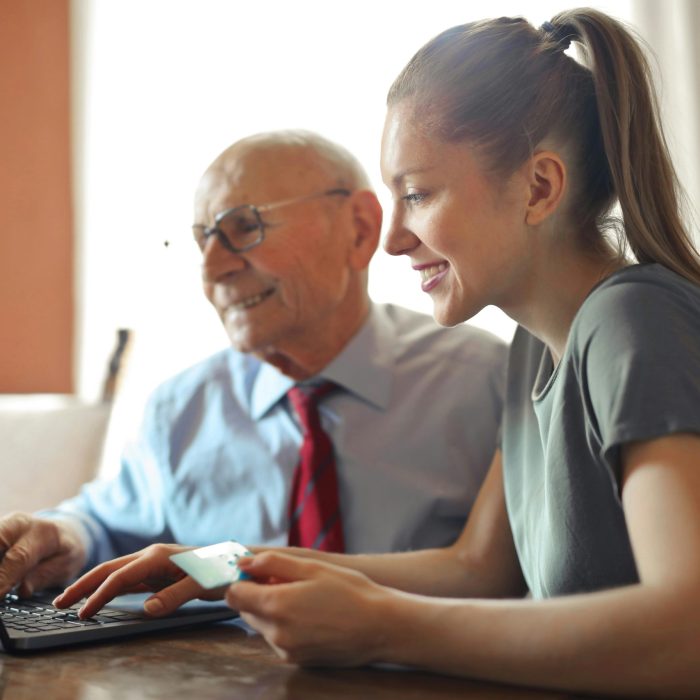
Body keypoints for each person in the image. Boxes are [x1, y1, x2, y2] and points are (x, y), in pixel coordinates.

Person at [54, 8, 700, 698]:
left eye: (418, 194)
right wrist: (231, 565)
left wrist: (384, 627)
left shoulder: (630, 322)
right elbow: (476, 568)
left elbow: (687, 630)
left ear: (539, 188)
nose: (393, 240)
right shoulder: (533, 352)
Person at [0, 130, 506, 600]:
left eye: (244, 226)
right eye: (204, 240)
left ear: (358, 229)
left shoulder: (487, 381)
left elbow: (508, 577)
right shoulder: (183, 407)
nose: (212, 269)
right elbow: (108, 524)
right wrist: (64, 535)